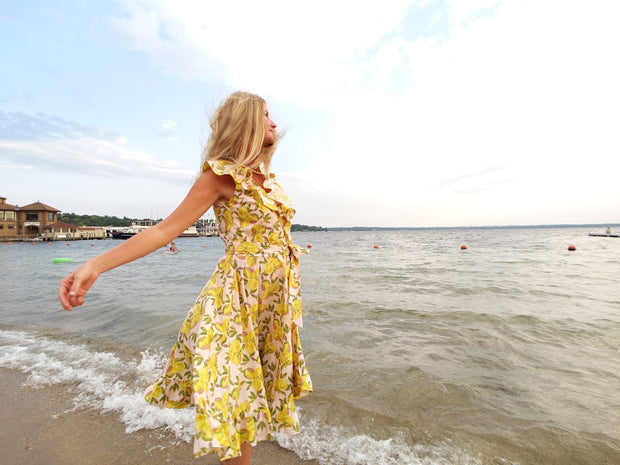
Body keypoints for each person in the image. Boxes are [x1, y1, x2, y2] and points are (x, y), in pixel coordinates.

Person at [58, 91, 313, 464]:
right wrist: (95, 265)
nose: (275, 122)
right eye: (266, 115)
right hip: (236, 302)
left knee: (250, 397)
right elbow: (164, 231)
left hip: (273, 306)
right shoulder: (220, 176)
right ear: (244, 122)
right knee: (233, 399)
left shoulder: (267, 180)